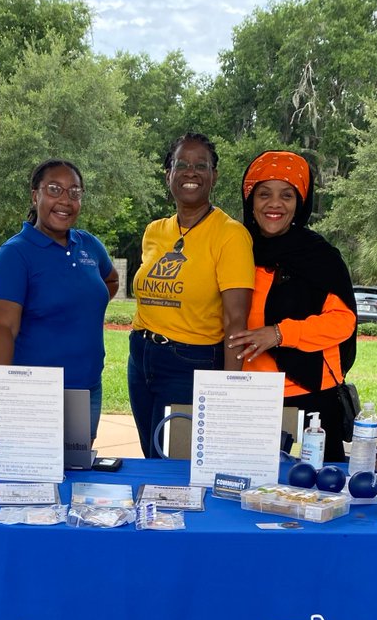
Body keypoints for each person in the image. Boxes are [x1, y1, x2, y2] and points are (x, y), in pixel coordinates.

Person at [128, 133, 255, 457]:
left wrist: (229, 391)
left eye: (202, 165)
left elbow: (235, 320)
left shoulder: (230, 235)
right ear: (168, 173)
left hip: (190, 363)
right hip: (141, 356)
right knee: (151, 454)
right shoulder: (155, 231)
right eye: (181, 164)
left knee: (175, 463)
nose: (191, 171)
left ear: (214, 176)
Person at [227, 150, 357, 463]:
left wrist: (280, 334)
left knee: (318, 493)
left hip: (311, 394)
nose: (275, 204)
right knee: (246, 490)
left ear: (300, 202)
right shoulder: (234, 249)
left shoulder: (320, 257)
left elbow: (342, 322)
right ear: (250, 201)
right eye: (264, 194)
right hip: (248, 393)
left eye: (287, 195)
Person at [0, 159, 119, 440]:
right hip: (36, 396)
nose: (66, 200)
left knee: (78, 474)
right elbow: (3, 329)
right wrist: (1, 394)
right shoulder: (15, 254)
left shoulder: (89, 245)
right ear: (36, 196)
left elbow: (111, 280)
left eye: (75, 192)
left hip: (88, 390)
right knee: (35, 478)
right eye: (55, 190)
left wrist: (81, 308)